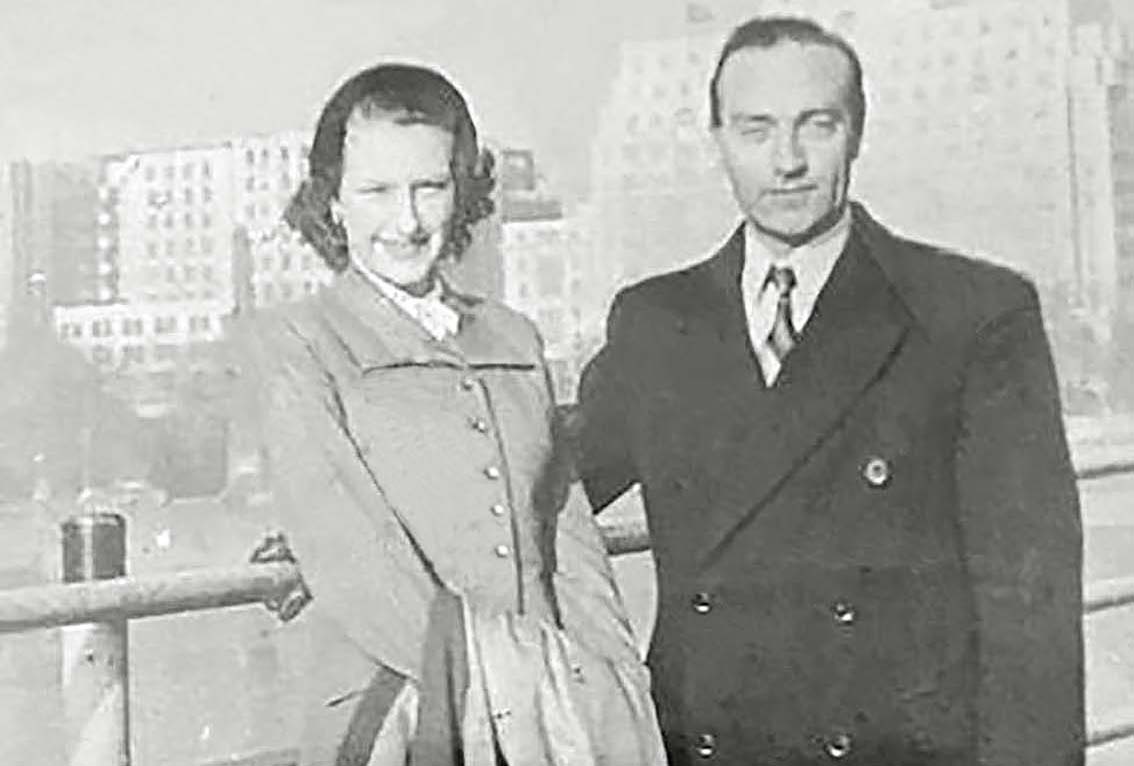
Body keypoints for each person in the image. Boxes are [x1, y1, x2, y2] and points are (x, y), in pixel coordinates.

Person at [576, 16, 1084, 766]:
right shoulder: (656, 323)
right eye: (756, 130)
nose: (787, 162)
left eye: (816, 125)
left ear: (857, 131)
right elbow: (532, 484)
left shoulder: (969, 315)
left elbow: (1030, 614)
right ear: (716, 138)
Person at [239, 63, 665, 766]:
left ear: (461, 190)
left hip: (547, 720)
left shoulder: (514, 337)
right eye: (375, 192)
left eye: (429, 187)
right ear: (333, 203)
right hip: (397, 718)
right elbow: (355, 556)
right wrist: (511, 691)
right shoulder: (295, 342)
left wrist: (617, 692)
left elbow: (569, 542)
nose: (404, 222)